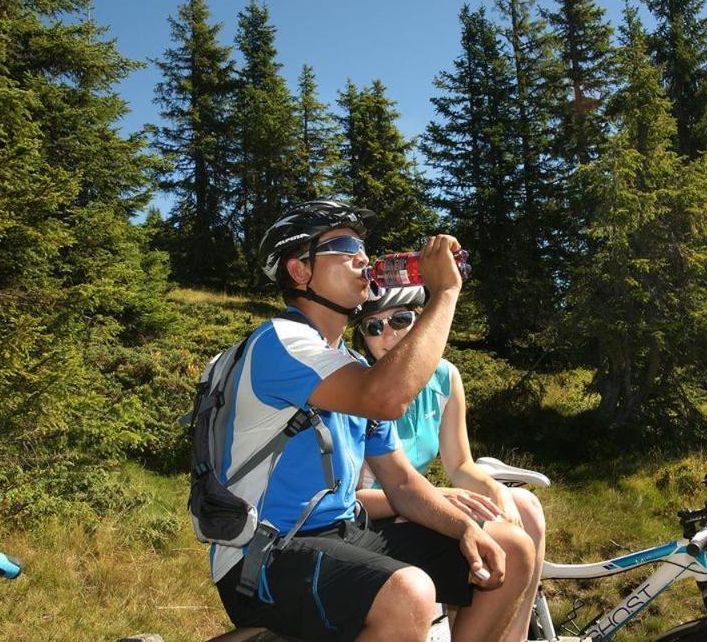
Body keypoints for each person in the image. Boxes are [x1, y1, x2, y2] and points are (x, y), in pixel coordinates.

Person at [208, 200, 537, 642]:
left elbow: (400, 483)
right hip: (265, 554)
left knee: (511, 549)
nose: (363, 257)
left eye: (363, 245)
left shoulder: (346, 364)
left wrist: (465, 528)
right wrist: (444, 293)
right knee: (410, 591)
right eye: (344, 246)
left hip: (345, 534)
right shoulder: (279, 342)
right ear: (300, 272)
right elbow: (387, 398)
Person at [351, 288, 546, 642]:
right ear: (362, 337)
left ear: (424, 321)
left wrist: (495, 489)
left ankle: (510, 636)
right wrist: (440, 497)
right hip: (374, 515)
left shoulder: (444, 377)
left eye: (399, 319)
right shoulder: (360, 387)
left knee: (526, 507)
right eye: (373, 327)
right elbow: (353, 498)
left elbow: (459, 464)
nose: (388, 334)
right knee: (503, 538)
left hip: (414, 502)